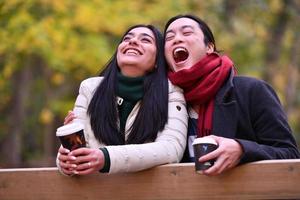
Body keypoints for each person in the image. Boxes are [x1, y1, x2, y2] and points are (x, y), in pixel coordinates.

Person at [163, 14, 300, 176]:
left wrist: (242, 149)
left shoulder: (252, 91)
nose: (177, 39)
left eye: (187, 33)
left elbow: (289, 154)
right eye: (169, 37)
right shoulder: (163, 101)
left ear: (209, 47)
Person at [57, 24, 188, 176]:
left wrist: (106, 158)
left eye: (145, 40)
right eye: (127, 38)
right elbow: (77, 149)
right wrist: (65, 160)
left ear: (158, 60)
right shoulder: (89, 89)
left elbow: (171, 149)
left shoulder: (171, 92)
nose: (132, 42)